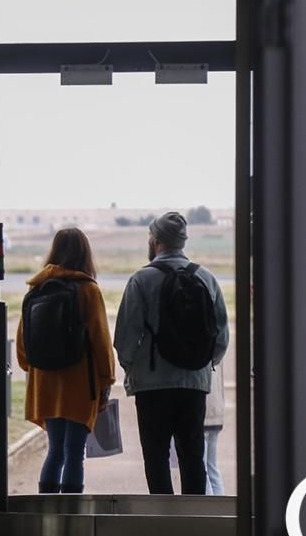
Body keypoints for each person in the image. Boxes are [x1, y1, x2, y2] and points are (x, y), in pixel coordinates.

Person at [114, 211, 229, 495]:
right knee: (193, 458)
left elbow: (125, 337)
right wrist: (202, 364)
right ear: (182, 242)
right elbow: (222, 337)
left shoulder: (141, 280)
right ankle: (193, 522)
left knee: (156, 458)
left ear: (155, 241)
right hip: (194, 383)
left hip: (152, 386)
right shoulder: (206, 277)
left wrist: (133, 368)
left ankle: (162, 521)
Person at [16, 228, 115, 494]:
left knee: (55, 450)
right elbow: (101, 340)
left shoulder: (35, 289)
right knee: (75, 452)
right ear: (86, 254)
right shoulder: (88, 290)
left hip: (45, 384)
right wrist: (107, 380)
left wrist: (37, 369)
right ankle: (70, 511)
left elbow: (23, 349)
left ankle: (47, 507)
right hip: (79, 385)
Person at [203, 363, 226, 495]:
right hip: (216, 412)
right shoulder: (218, 349)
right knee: (212, 468)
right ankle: (220, 506)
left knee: (203, 470)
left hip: (203, 412)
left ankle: (209, 509)